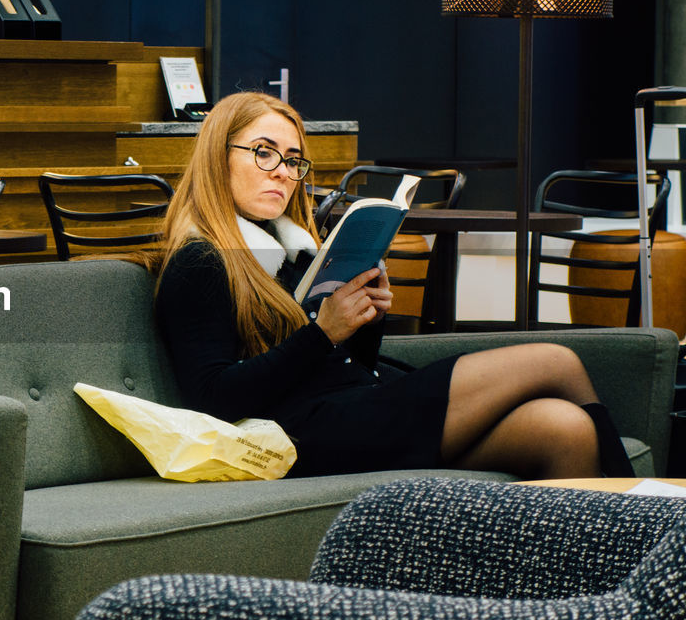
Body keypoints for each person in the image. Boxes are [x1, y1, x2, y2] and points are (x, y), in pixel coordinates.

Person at [152, 91, 632, 480]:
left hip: (355, 408)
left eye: (294, 159)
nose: (283, 170)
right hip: (303, 434)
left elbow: (345, 368)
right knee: (554, 359)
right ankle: (649, 536)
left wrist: (365, 321)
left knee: (563, 429)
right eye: (264, 153)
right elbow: (213, 398)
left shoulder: (294, 252)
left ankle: (581, 593)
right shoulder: (200, 261)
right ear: (220, 156)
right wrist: (323, 333)